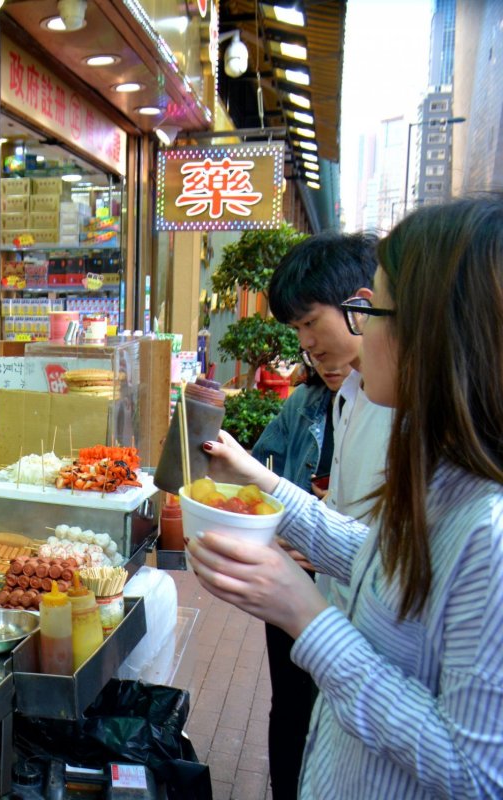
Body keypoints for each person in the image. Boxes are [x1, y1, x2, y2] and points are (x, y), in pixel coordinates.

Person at [192, 196, 503, 798]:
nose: (359, 330)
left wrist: (306, 615)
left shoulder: (488, 529)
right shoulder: (442, 470)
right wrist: (263, 481)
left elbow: (477, 773)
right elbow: (384, 560)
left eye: (374, 309)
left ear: (440, 331)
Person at [250, 231, 378, 800]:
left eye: (311, 325)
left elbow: (471, 764)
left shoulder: (403, 412)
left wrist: (309, 607)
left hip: (337, 609)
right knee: (296, 711)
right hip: (309, 587)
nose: (308, 347)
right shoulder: (322, 401)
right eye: (297, 333)